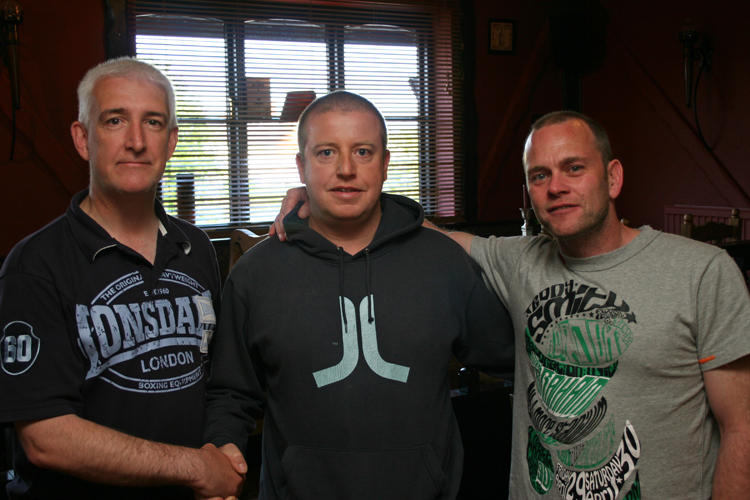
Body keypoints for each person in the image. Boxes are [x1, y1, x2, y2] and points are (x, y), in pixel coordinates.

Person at [271, 111, 750, 500]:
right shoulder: (519, 260)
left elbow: (742, 427)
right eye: (540, 175)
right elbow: (429, 233)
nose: (556, 186)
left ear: (613, 177)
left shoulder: (702, 272)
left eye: (574, 168)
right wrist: (321, 193)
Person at [203, 90, 514, 500]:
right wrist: (223, 446)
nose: (346, 169)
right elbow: (230, 392)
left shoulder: (444, 263)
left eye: (363, 152)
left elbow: (516, 360)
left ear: (385, 164)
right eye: (326, 153)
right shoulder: (255, 274)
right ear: (302, 166)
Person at [0, 57, 244, 500]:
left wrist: (221, 447)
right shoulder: (34, 266)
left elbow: (219, 381)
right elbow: (45, 437)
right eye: (115, 120)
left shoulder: (196, 247)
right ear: (83, 138)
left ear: (171, 141)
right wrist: (196, 468)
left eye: (153, 122)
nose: (136, 141)